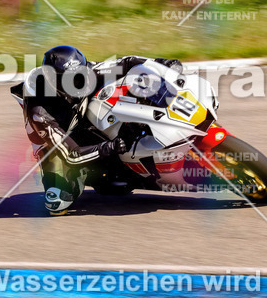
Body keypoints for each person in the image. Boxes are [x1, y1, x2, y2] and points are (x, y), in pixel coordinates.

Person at [10, 45, 183, 214]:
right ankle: (82, 175)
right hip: (54, 137)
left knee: (124, 88)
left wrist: (163, 64)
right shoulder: (40, 113)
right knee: (59, 198)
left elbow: (129, 62)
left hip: (79, 112)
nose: (81, 83)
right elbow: (72, 154)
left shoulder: (89, 70)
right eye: (74, 81)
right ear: (56, 83)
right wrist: (110, 147)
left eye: (82, 75)